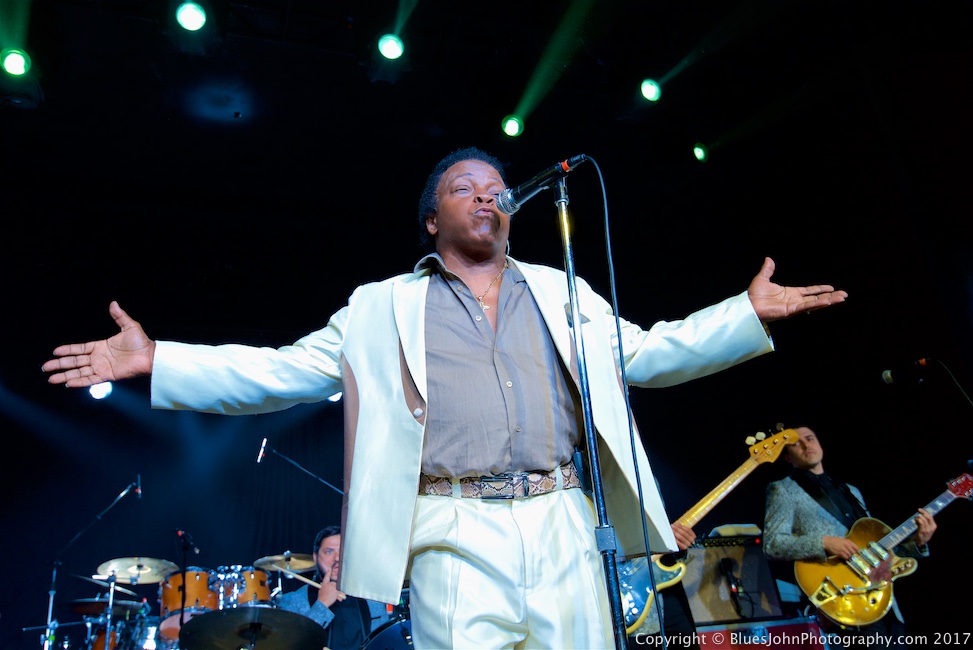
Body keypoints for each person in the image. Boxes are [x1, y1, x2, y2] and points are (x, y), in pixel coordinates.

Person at [42, 146, 848, 649]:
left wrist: (741, 314)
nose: (487, 195)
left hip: (566, 517)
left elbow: (647, 353)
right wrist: (160, 360)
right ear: (432, 220)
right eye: (466, 187)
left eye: (497, 186)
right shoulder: (378, 306)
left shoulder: (563, 291)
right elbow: (280, 371)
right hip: (452, 525)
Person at [763, 424, 936, 648]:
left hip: (883, 602)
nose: (806, 444)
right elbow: (772, 545)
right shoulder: (782, 489)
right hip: (844, 602)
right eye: (796, 443)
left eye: (810, 438)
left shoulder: (851, 491)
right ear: (787, 456)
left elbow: (877, 549)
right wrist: (824, 542)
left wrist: (918, 543)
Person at [275, 525, 388, 650]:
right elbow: (294, 646)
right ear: (315, 556)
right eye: (329, 551)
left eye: (342, 550)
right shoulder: (293, 601)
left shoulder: (371, 597)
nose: (337, 558)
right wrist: (321, 605)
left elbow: (383, 642)